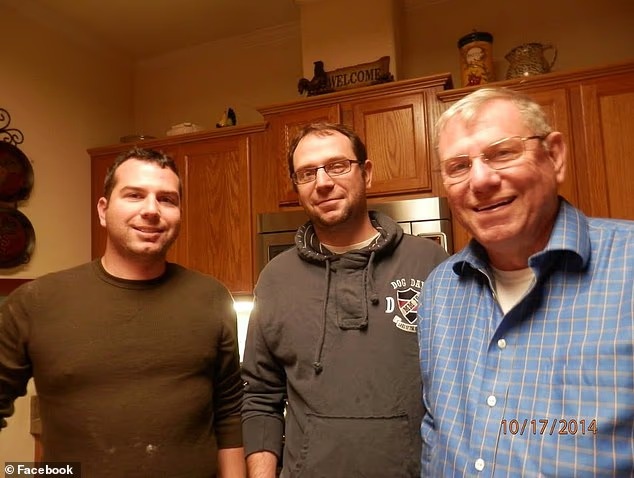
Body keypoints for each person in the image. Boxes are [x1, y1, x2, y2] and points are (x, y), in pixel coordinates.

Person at [418, 87, 634, 476]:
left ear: (555, 156)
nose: (480, 180)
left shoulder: (628, 266)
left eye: (502, 153)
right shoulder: (439, 290)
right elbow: (437, 431)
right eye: (458, 166)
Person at [0, 148, 246, 477]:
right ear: (103, 210)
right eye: (134, 195)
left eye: (167, 199)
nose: (151, 210)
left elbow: (229, 411)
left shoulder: (211, 298)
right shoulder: (35, 302)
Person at [241, 122, 449, 477]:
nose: (322, 182)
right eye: (307, 173)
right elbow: (260, 396)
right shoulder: (275, 278)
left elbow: (462, 388)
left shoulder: (430, 265)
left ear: (366, 173)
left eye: (337, 166)